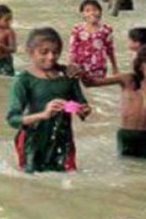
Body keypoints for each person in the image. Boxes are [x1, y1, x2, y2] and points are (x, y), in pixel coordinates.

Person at [80, 43, 146, 159]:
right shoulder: (128, 80)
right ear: (141, 66)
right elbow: (90, 84)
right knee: (128, 172)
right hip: (127, 135)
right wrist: (79, 72)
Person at [6, 27, 91, 173]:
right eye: (44, 52)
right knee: (32, 181)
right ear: (30, 52)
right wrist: (44, 114)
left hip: (63, 140)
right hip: (32, 142)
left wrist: (83, 110)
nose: (51, 57)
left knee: (68, 179)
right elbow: (13, 119)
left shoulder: (68, 77)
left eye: (55, 52)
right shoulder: (23, 81)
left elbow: (83, 107)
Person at [67, 0, 118, 79]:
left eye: (95, 10)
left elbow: (110, 50)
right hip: (80, 67)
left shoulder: (106, 30)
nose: (92, 13)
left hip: (99, 67)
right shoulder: (77, 29)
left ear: (100, 12)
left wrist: (115, 67)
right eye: (87, 11)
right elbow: (72, 50)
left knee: (98, 88)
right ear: (83, 14)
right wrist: (70, 66)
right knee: (82, 87)